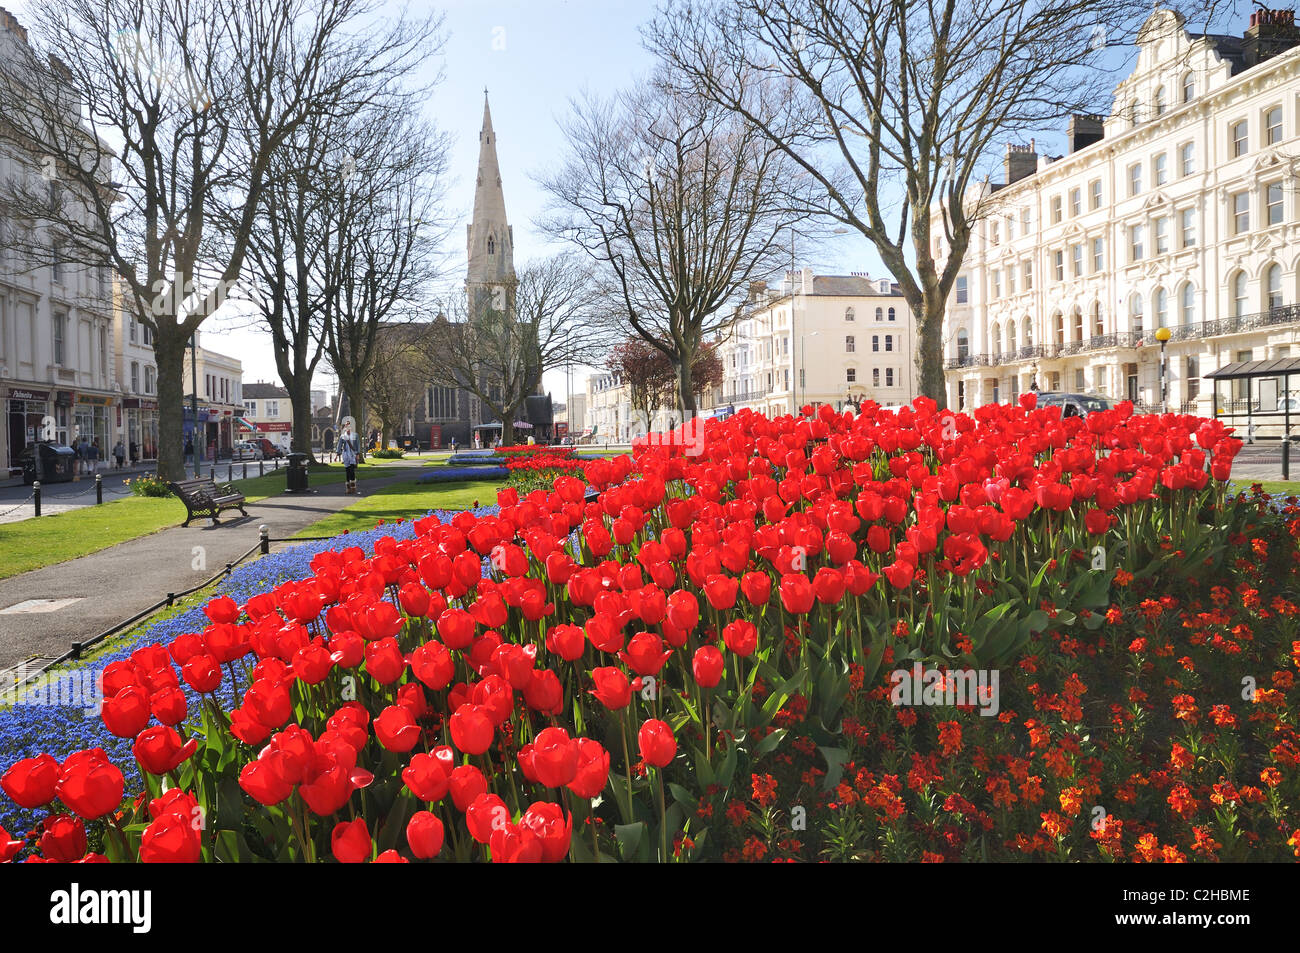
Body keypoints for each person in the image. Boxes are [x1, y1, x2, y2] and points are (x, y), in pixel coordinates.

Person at [338, 422, 360, 494]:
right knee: (347, 471)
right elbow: (340, 444)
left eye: (349, 426)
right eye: (346, 427)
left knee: (352, 470)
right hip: (346, 454)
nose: (348, 428)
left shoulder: (355, 435)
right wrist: (338, 452)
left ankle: (353, 487)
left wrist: (357, 454)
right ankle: (348, 488)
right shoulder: (343, 436)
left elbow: (358, 444)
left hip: (353, 454)